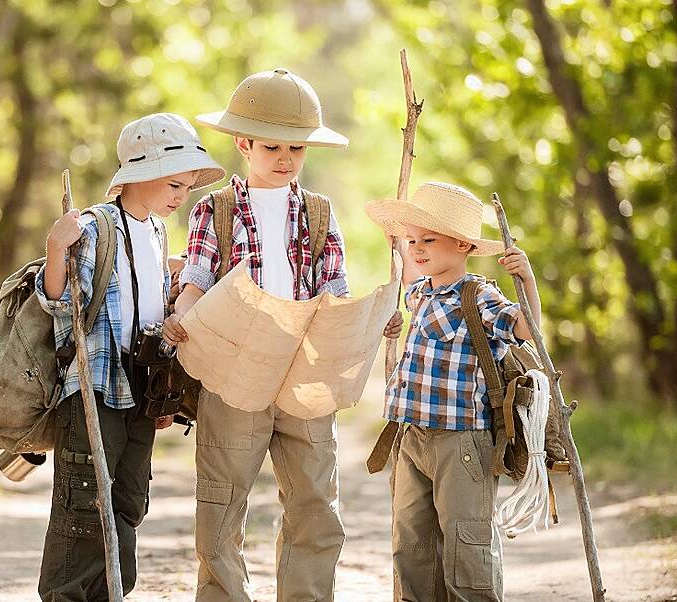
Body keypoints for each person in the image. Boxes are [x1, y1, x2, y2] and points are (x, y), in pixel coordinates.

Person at [163, 68, 401, 602]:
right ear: (243, 144)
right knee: (222, 503)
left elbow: (333, 292)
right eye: (272, 146)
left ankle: (307, 596)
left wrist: (370, 320)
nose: (286, 158)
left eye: (298, 148)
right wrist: (182, 314)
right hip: (235, 370)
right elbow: (197, 281)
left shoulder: (318, 213)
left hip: (304, 374)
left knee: (315, 504)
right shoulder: (214, 209)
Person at [35, 113, 224, 601]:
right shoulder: (95, 226)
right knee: (83, 504)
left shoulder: (158, 233)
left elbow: (153, 311)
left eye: (187, 186)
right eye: (175, 183)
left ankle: (112, 593)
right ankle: (66, 594)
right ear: (140, 175)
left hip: (139, 390)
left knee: (127, 499)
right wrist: (57, 248)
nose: (182, 196)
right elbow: (58, 302)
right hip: (95, 388)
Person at [365, 181, 542, 601]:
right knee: (412, 541)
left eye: (428, 239)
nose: (417, 248)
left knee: (467, 541)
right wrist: (396, 246)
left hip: (460, 441)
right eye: (412, 241)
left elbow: (526, 329)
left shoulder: (479, 296)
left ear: (462, 245)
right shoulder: (419, 292)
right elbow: (407, 277)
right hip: (412, 437)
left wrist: (528, 281)